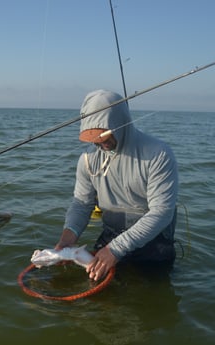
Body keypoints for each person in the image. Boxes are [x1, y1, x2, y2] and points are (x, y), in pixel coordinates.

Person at [55, 89, 178, 281]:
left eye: (103, 134)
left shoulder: (158, 154)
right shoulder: (87, 159)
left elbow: (162, 212)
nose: (99, 141)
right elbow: (82, 203)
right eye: (93, 136)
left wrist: (116, 249)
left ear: (120, 124)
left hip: (154, 242)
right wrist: (67, 239)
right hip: (110, 235)